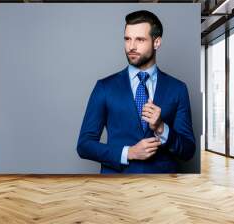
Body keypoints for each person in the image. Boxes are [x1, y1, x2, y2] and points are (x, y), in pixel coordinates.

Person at [77, 10, 195, 173]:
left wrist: (161, 128)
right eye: (127, 39)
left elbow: (188, 151)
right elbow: (84, 145)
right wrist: (128, 153)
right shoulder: (104, 87)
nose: (131, 46)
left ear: (157, 42)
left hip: (162, 189)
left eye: (139, 39)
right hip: (116, 189)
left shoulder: (177, 89)